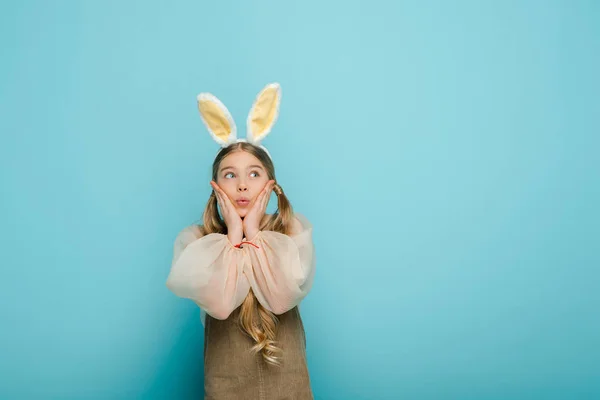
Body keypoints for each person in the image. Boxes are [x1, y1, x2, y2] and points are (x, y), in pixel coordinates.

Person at [166, 83, 316, 399]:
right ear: (215, 185)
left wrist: (254, 235)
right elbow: (220, 305)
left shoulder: (292, 232)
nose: (243, 186)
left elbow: (280, 298)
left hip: (288, 388)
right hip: (226, 388)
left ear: (271, 184)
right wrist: (234, 234)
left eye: (254, 174)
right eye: (230, 175)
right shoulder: (196, 242)